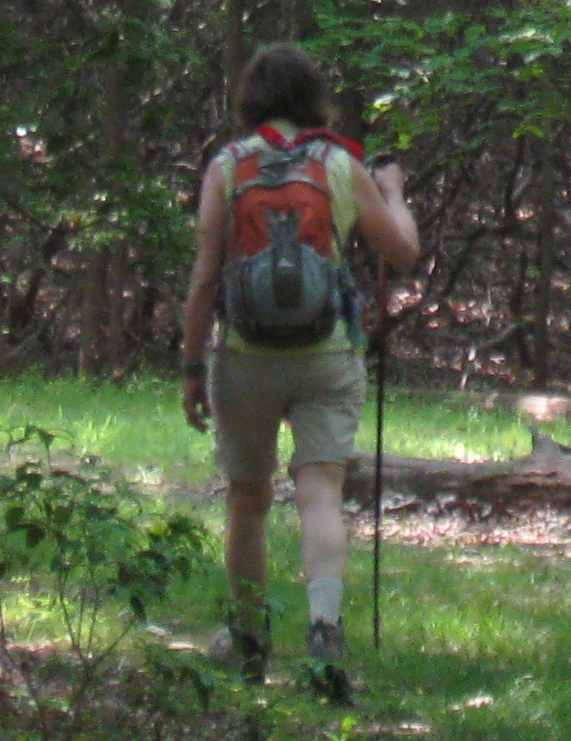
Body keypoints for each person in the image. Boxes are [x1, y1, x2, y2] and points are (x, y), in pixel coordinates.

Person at [178, 43, 421, 701]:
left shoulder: (229, 165)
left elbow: (206, 276)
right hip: (327, 353)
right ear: (315, 95)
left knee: (247, 500)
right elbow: (402, 252)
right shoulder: (338, 162)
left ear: (249, 97)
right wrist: (394, 191)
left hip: (245, 356)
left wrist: (193, 364)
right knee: (319, 492)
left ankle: (251, 639)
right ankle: (322, 633)